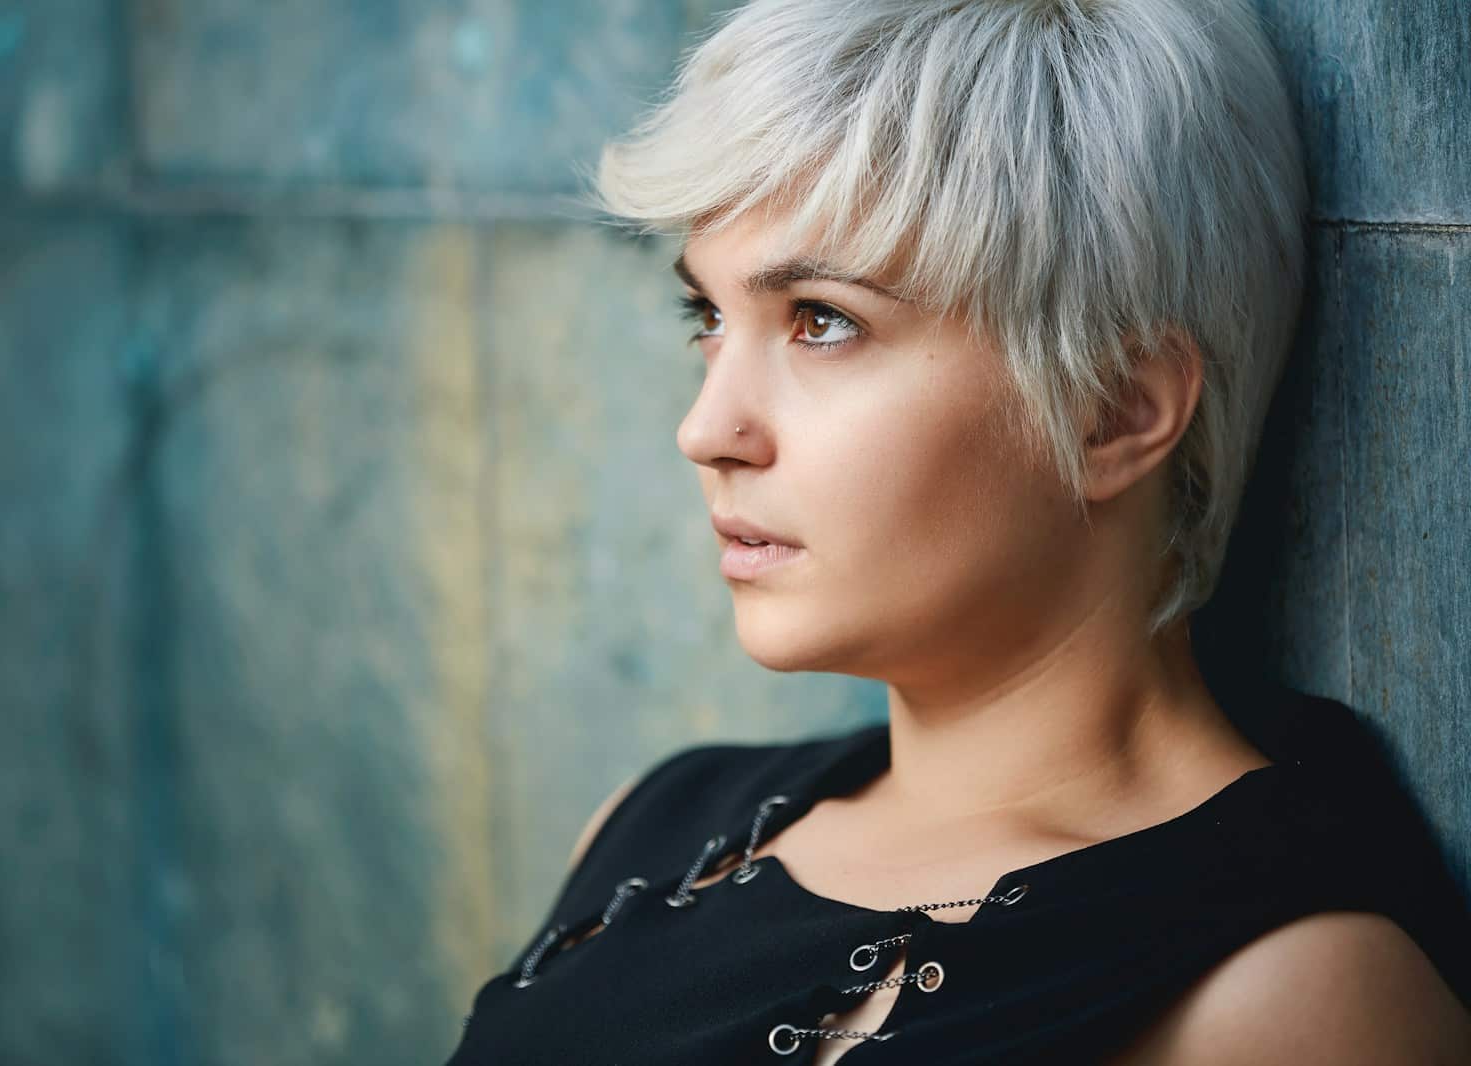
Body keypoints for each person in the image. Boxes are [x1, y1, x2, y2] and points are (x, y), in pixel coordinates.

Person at [448, 0, 1471, 1061]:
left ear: (1116, 406)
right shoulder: (649, 832)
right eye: (705, 316)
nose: (706, 429)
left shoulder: (1280, 1001)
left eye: (822, 320)